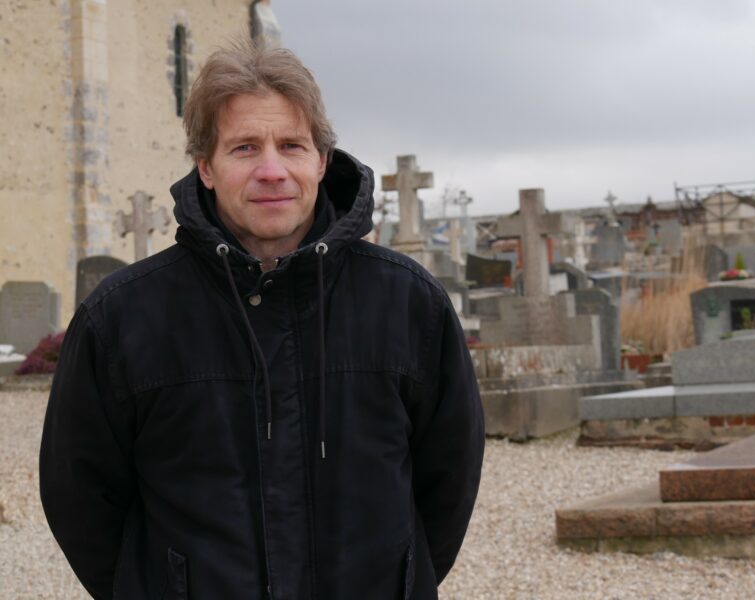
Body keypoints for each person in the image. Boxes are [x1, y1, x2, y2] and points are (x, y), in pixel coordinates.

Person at [39, 39, 484, 600]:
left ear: (321, 161)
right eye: (245, 147)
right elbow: (80, 495)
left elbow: (449, 480)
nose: (272, 171)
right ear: (206, 167)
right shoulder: (121, 318)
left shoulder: (409, 303)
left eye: (291, 145)